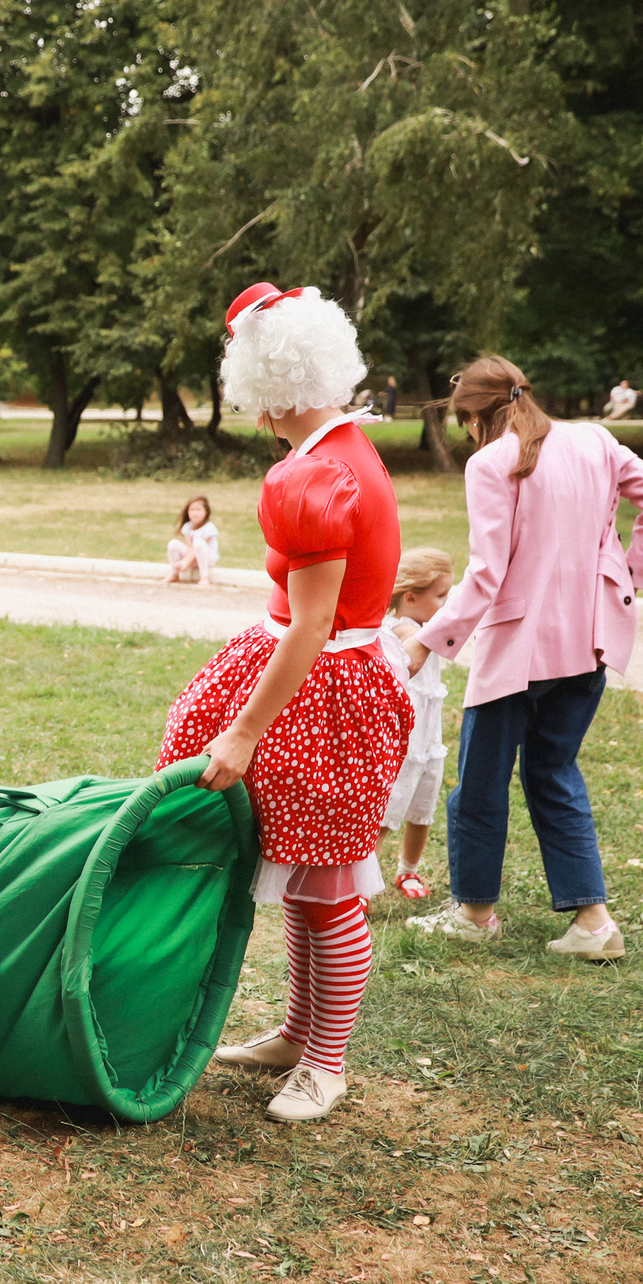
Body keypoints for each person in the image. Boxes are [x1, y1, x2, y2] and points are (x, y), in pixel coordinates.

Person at [157, 282, 413, 1125]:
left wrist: (242, 732)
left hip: (324, 690)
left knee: (328, 886)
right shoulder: (349, 447)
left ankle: (325, 1063)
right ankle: (300, 1032)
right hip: (331, 678)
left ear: (266, 387)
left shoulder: (313, 475)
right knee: (306, 878)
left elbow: (310, 627)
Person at [409, 357, 643, 961]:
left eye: (463, 422)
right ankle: (593, 924)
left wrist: (427, 640)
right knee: (554, 773)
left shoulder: (490, 462)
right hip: (589, 642)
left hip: (520, 652)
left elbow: (487, 572)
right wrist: (627, 576)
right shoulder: (595, 440)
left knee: (479, 785)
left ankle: (475, 914)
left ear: (475, 416)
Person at [377, 548, 454, 899]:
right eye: (441, 596)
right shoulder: (401, 628)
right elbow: (411, 640)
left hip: (429, 742)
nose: (446, 604)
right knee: (385, 814)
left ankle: (408, 870)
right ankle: (361, 882)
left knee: (422, 812)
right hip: (403, 744)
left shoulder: (426, 628)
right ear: (410, 597)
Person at [164, 496, 220, 586]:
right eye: (192, 510)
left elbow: (199, 547)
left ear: (206, 512)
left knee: (198, 542)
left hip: (207, 558)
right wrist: (185, 561)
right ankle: (175, 574)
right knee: (173, 544)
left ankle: (205, 577)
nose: (195, 513)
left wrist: (186, 562)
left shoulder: (209, 527)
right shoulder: (187, 526)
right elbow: (190, 548)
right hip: (193, 556)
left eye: (198, 510)